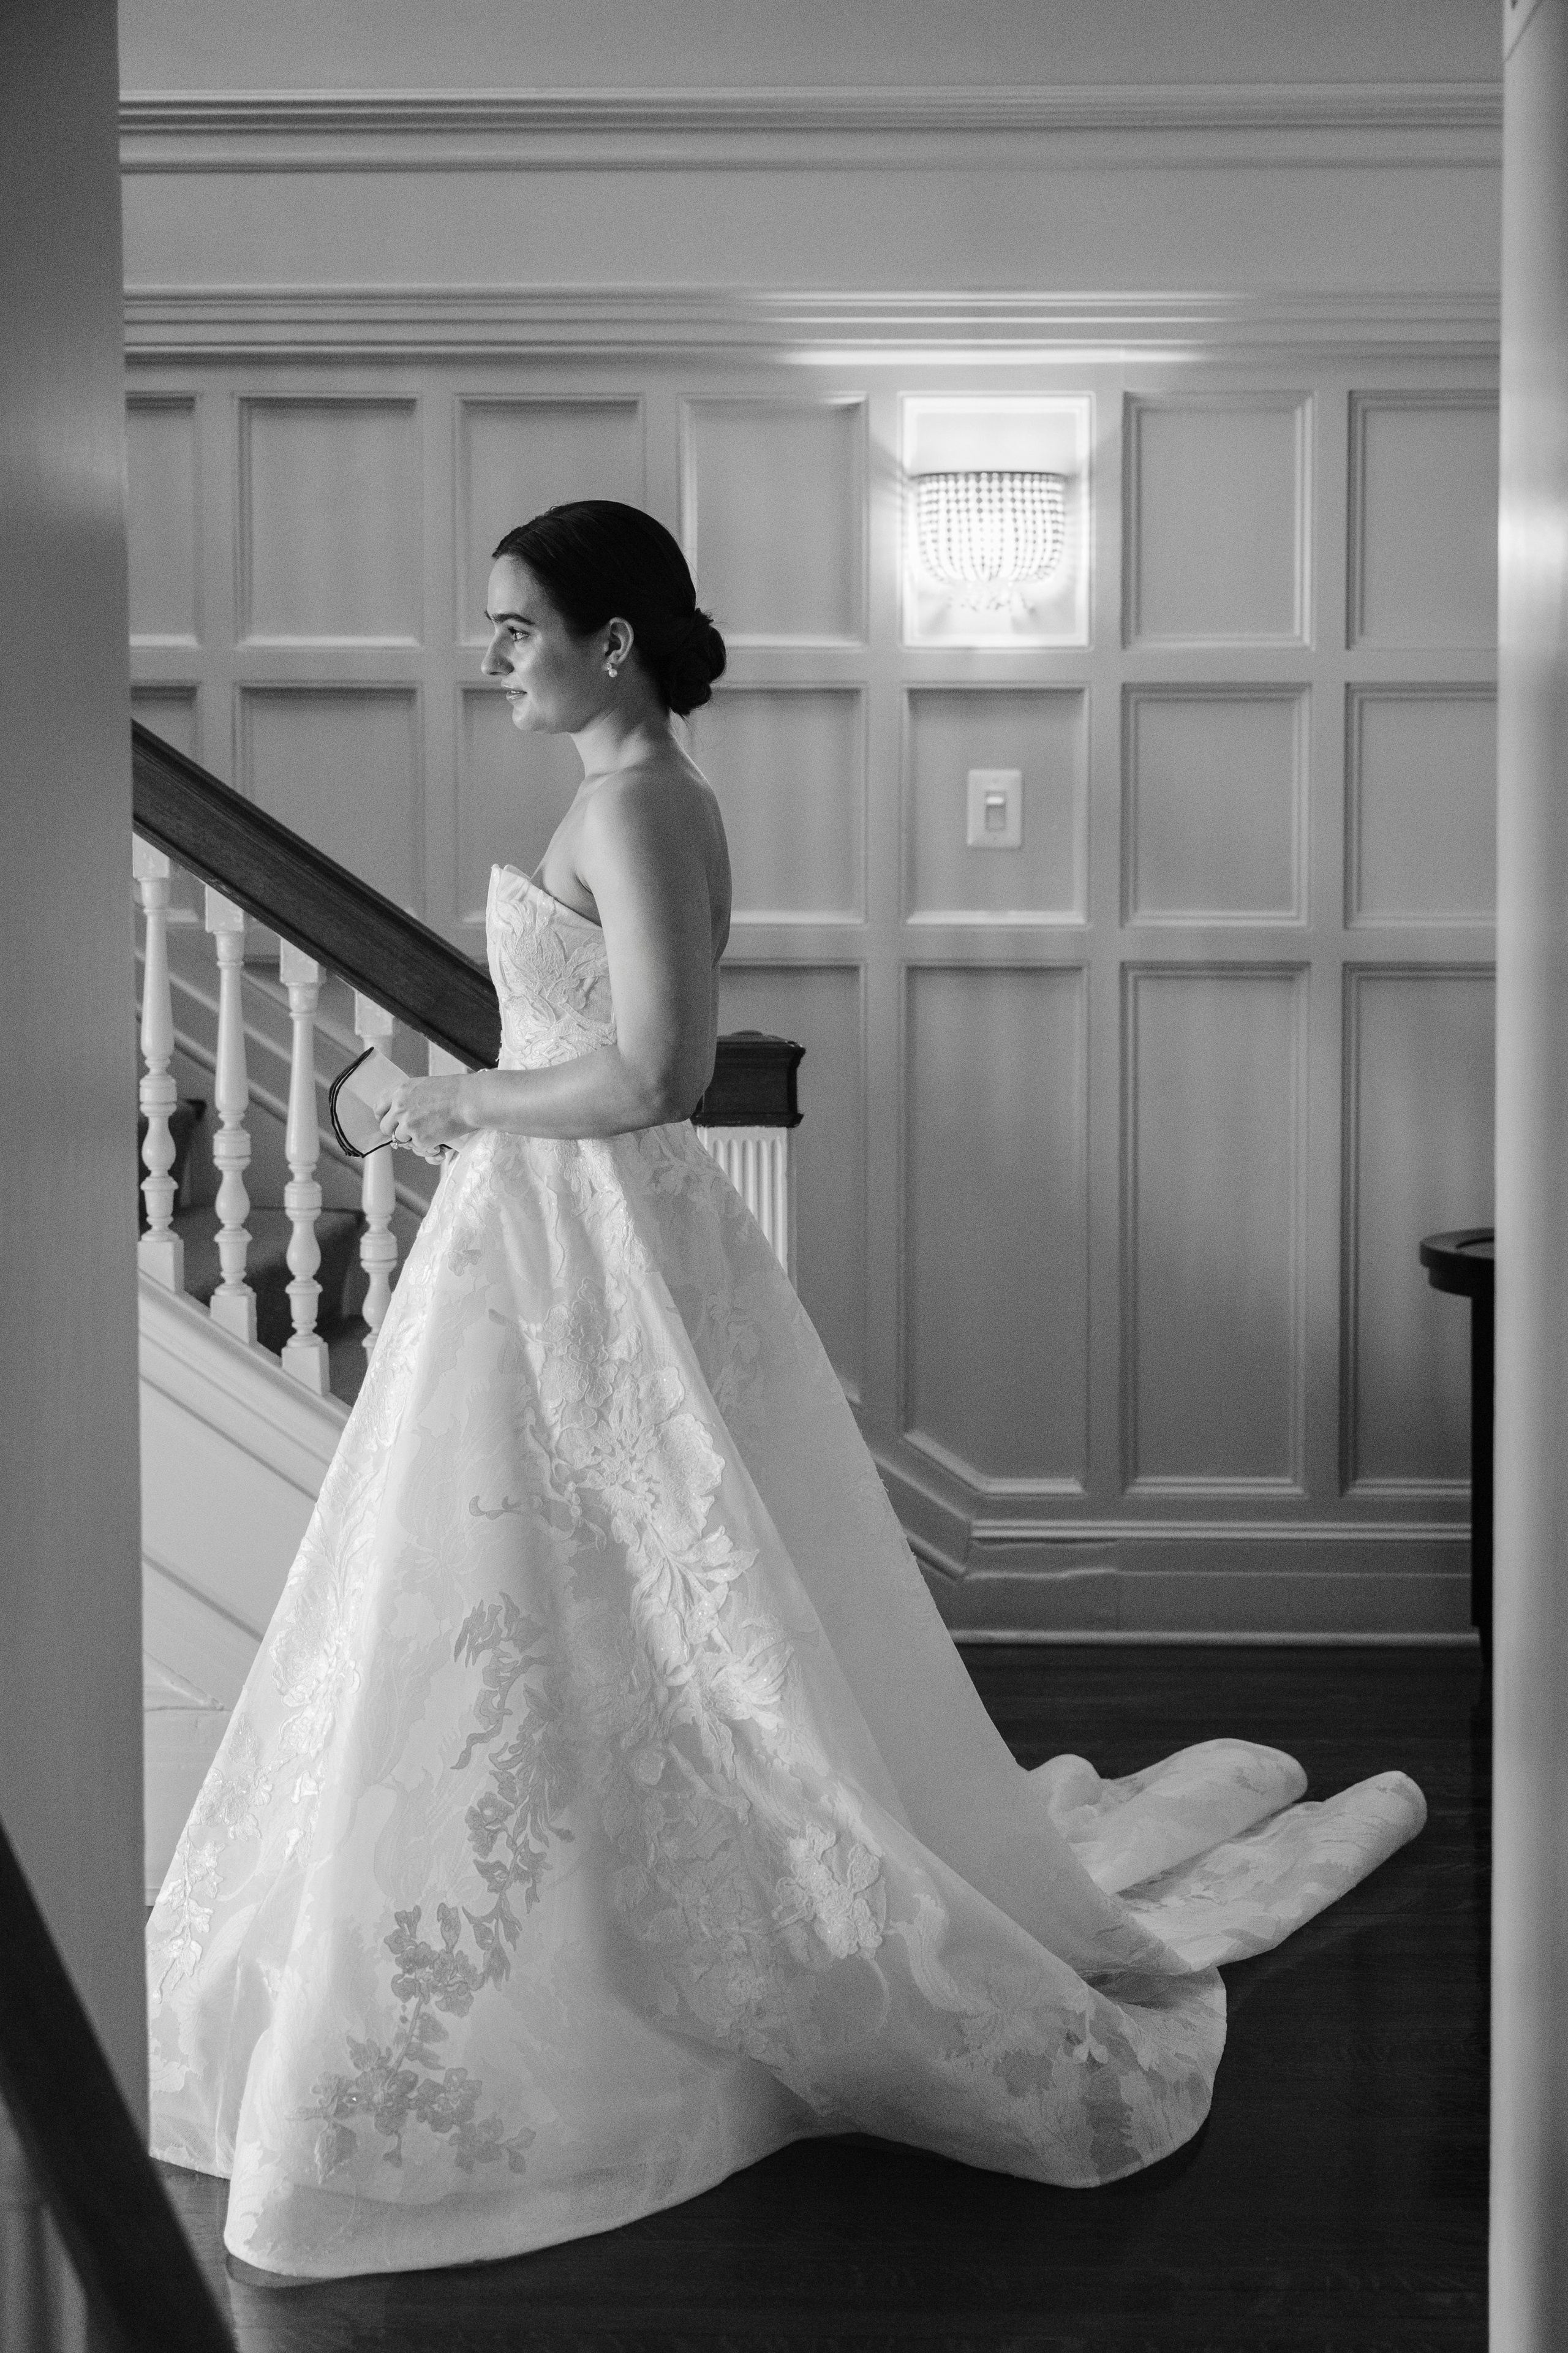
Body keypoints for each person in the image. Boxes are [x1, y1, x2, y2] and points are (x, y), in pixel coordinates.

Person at [146, 500, 1425, 2281]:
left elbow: (659, 1074)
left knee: (634, 1614)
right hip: (553, 1247)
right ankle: (558, 1935)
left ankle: (645, 1966)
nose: (495, 655)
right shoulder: (630, 795)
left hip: (594, 1236)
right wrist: (470, 1093)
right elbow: (602, 1043)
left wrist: (444, 1105)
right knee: (547, 1611)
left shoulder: (640, 801)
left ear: (613, 640)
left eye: (519, 626)